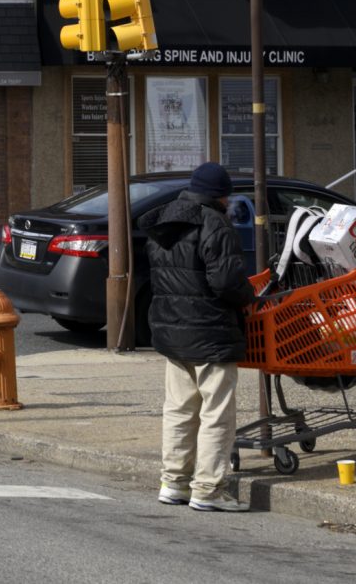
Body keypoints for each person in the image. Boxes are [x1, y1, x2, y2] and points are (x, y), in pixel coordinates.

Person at [141, 161, 255, 513]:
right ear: (220, 196)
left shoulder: (164, 222)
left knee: (179, 409)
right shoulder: (214, 224)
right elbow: (225, 282)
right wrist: (249, 297)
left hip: (172, 329)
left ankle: (173, 482)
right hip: (211, 331)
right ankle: (208, 488)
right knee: (216, 412)